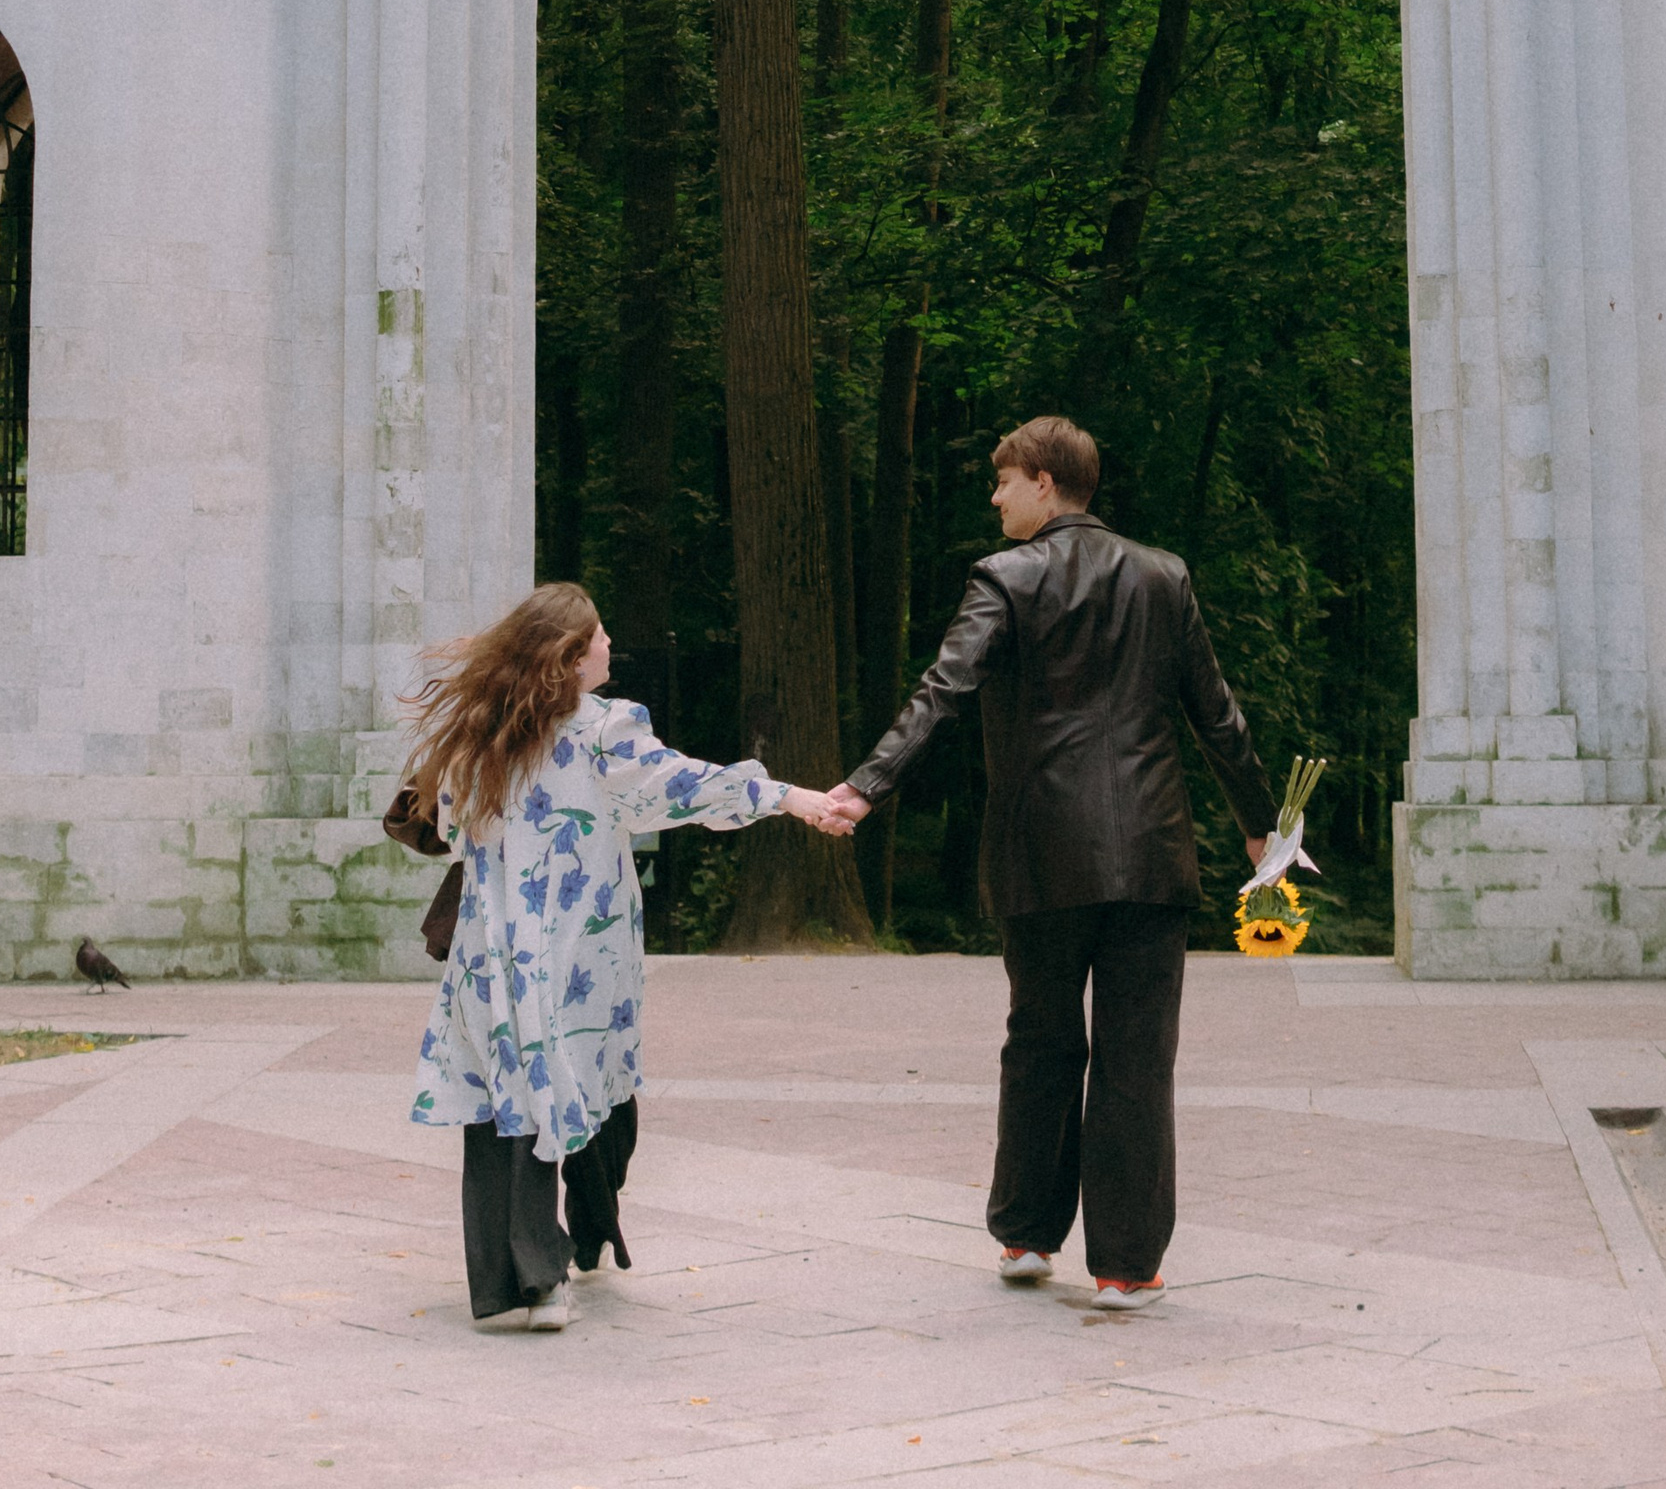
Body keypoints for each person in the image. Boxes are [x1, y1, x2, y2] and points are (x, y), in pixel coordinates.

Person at [831, 414, 1272, 1314]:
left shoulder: (1007, 576)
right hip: (1152, 851)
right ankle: (1127, 1267)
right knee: (1138, 1058)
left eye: (1003, 481)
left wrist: (867, 786)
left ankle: (1027, 1235)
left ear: (1043, 481)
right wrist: (1262, 827)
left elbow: (943, 691)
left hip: (1042, 852)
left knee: (1039, 1040)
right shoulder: (1165, 575)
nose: (994, 498)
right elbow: (1217, 715)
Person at [403, 580, 854, 1329]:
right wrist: (791, 797)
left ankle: (540, 1270)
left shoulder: (479, 736)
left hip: (497, 951)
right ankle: (554, 1268)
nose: (610, 643)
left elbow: (450, 830)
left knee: (511, 1101)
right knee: (590, 1082)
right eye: (599, 635)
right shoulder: (607, 730)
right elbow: (682, 786)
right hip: (582, 951)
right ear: (571, 659)